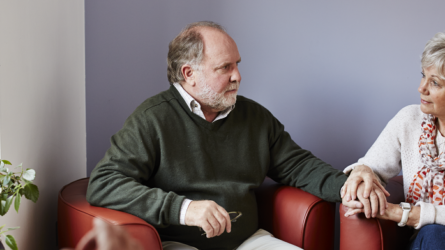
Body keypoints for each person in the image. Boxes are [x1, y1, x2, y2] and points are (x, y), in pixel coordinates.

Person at [86, 21, 382, 250]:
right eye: (225, 67)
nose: (237, 75)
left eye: (237, 64)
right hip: (179, 244)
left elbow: (300, 167)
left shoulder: (254, 117)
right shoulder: (152, 118)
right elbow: (104, 184)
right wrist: (184, 209)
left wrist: (351, 185)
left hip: (248, 241)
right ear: (189, 74)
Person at [342, 31, 445, 250]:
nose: (421, 88)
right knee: (434, 235)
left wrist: (403, 213)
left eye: (435, 82)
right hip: (427, 242)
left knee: (436, 232)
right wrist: (362, 175)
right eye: (423, 76)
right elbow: (371, 166)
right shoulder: (410, 119)